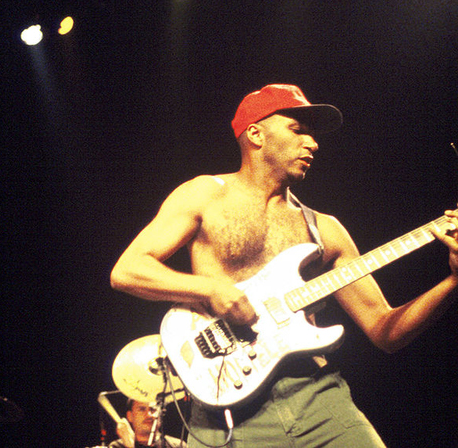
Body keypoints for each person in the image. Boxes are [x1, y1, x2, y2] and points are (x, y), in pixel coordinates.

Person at [110, 83, 458, 447]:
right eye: (298, 129)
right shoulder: (205, 194)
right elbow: (128, 270)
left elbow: (386, 332)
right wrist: (209, 288)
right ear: (256, 134)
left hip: (317, 399)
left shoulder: (326, 230)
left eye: (312, 135)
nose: (313, 143)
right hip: (224, 410)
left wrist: (452, 282)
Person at [109, 399, 181, 448]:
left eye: (153, 409)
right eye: (142, 409)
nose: (149, 415)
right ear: (130, 416)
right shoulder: (117, 446)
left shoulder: (177, 446)